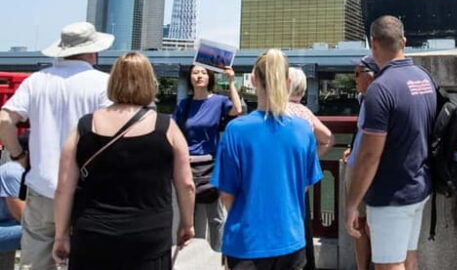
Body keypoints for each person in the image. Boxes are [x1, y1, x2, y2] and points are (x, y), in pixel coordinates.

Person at [51, 52, 195, 269]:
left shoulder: (85, 126)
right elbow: (186, 184)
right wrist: (187, 224)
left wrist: (61, 235)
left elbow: (63, 187)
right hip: (149, 237)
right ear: (149, 82)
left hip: (93, 236)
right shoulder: (167, 127)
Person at [0, 21, 113, 270]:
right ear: (93, 51)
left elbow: (4, 118)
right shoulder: (105, 83)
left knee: (36, 262)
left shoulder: (36, 81)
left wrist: (18, 155)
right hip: (87, 190)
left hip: (42, 188)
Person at [213, 49, 322, 270]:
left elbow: (226, 194)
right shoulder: (303, 129)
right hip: (291, 239)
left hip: (246, 242)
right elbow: (306, 184)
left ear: (253, 80)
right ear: (288, 81)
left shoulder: (236, 131)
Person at [345, 16, 436, 270]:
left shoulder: (380, 89)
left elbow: (369, 156)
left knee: (389, 264)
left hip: (390, 194)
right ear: (404, 42)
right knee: (409, 258)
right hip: (419, 185)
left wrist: (352, 205)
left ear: (373, 44)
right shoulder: (424, 78)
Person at [173, 64, 242, 251]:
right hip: (188, 167)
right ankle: (194, 258)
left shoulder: (219, 101)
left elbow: (237, 109)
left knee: (216, 218)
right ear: (190, 79)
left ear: (209, 78)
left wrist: (231, 81)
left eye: (203, 73)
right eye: (195, 73)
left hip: (212, 165)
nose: (199, 76)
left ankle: (218, 258)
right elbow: (174, 133)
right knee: (191, 220)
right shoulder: (184, 105)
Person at [287, 67, 334, 270]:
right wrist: (309, 160)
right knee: (302, 230)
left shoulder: (276, 110)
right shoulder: (305, 113)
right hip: (301, 181)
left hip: (280, 180)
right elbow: (328, 139)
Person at [342, 55, 378, 270]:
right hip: (356, 166)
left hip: (370, 171)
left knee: (373, 225)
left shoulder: (379, 100)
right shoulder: (363, 100)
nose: (354, 78)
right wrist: (352, 146)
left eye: (357, 73)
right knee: (358, 223)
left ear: (371, 76)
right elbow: (362, 131)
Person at [0, 132, 28, 254]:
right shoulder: (14, 171)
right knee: (42, 232)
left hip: (5, 223)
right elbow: (23, 216)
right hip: (6, 225)